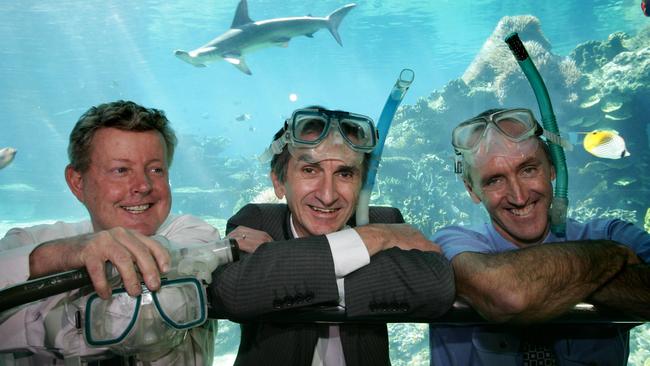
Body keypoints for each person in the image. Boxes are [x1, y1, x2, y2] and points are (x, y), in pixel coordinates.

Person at [208, 106, 456, 366]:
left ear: (362, 185)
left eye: (345, 173)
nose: (328, 195)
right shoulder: (257, 220)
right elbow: (232, 291)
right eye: (310, 170)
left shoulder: (387, 220)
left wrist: (280, 268)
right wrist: (374, 238)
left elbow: (437, 285)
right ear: (279, 182)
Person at [0, 100, 228, 365]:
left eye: (156, 169)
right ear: (77, 182)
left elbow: (138, 319)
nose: (142, 185)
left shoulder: (195, 235)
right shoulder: (29, 242)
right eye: (121, 170)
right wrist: (61, 254)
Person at [429, 108, 650, 365]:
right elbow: (507, 295)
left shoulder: (610, 232)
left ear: (552, 169)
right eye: (494, 180)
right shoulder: (451, 243)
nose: (519, 196)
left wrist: (546, 285)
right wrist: (613, 257)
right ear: (472, 190)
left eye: (528, 170)